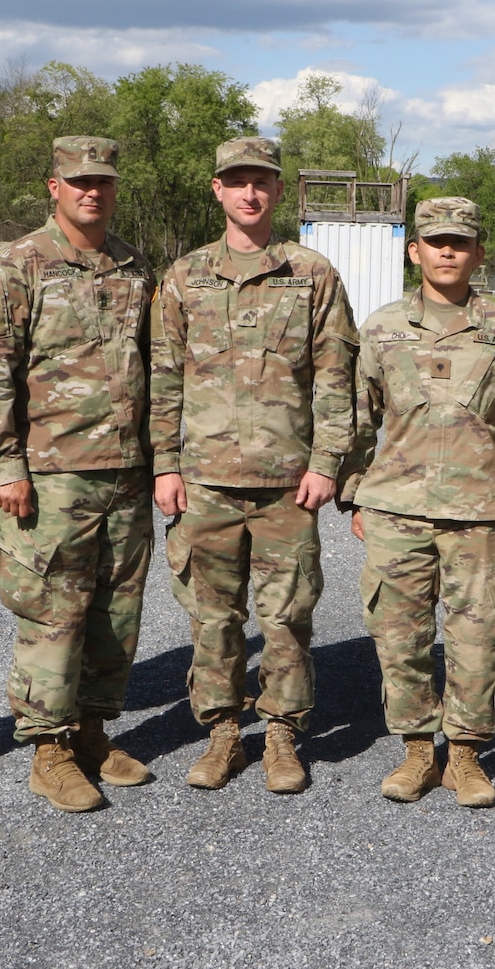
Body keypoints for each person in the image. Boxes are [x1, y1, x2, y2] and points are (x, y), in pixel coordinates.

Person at [149, 136, 358, 793]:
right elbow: (162, 378)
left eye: (261, 182)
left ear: (276, 190)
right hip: (205, 478)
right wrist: (164, 464)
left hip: (286, 485)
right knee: (212, 616)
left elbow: (335, 377)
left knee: (288, 616)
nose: (249, 193)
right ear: (217, 190)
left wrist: (326, 462)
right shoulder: (184, 277)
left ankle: (281, 734)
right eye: (236, 181)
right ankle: (219, 733)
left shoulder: (311, 274)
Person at [0, 137, 155, 813]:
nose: (91, 192)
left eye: (102, 181)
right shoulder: (18, 264)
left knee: (116, 617)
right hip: (50, 476)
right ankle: (49, 750)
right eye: (78, 182)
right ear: (54, 187)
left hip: (126, 473)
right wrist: (4, 463)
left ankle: (95, 732)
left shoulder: (133, 265)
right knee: (52, 616)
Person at [341, 197, 495, 809]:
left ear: (478, 253)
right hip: (394, 506)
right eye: (436, 242)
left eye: (460, 242)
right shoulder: (381, 327)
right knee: (399, 635)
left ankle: (467, 754)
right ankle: (416, 751)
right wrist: (354, 492)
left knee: (478, 636)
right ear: (415, 251)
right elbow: (356, 414)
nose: (448, 251)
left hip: (478, 510)